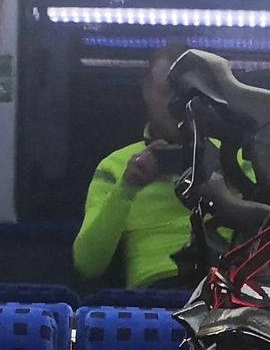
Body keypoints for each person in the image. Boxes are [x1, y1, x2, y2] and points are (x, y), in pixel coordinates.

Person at [73, 46, 198, 289]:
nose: (176, 104)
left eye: (187, 94)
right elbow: (87, 263)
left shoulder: (238, 159)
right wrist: (126, 188)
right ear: (147, 91)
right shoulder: (115, 167)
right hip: (152, 296)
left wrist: (230, 185)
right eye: (167, 92)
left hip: (226, 288)